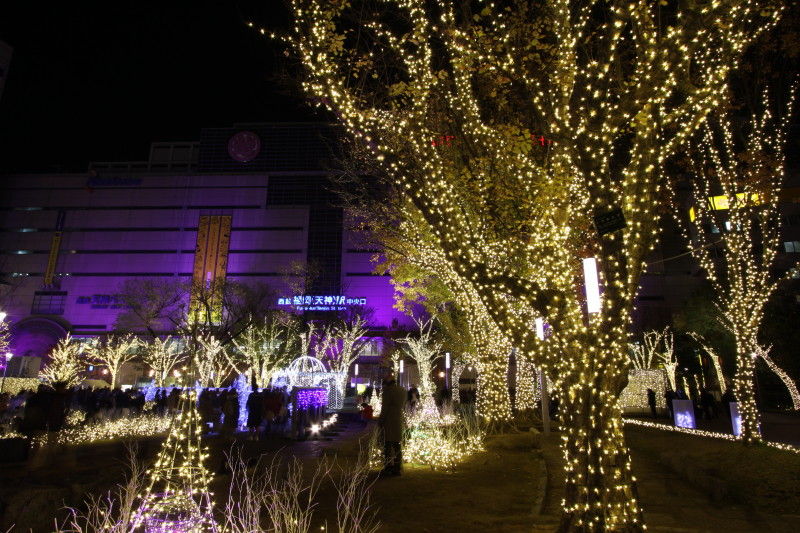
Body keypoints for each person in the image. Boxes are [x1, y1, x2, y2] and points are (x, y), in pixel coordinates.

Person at [379, 376, 407, 476]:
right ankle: (398, 467)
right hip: (399, 418)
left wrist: (381, 420)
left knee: (388, 445)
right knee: (397, 445)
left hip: (389, 419)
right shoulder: (403, 390)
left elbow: (384, 407)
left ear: (387, 383)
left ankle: (388, 466)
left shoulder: (387, 391)